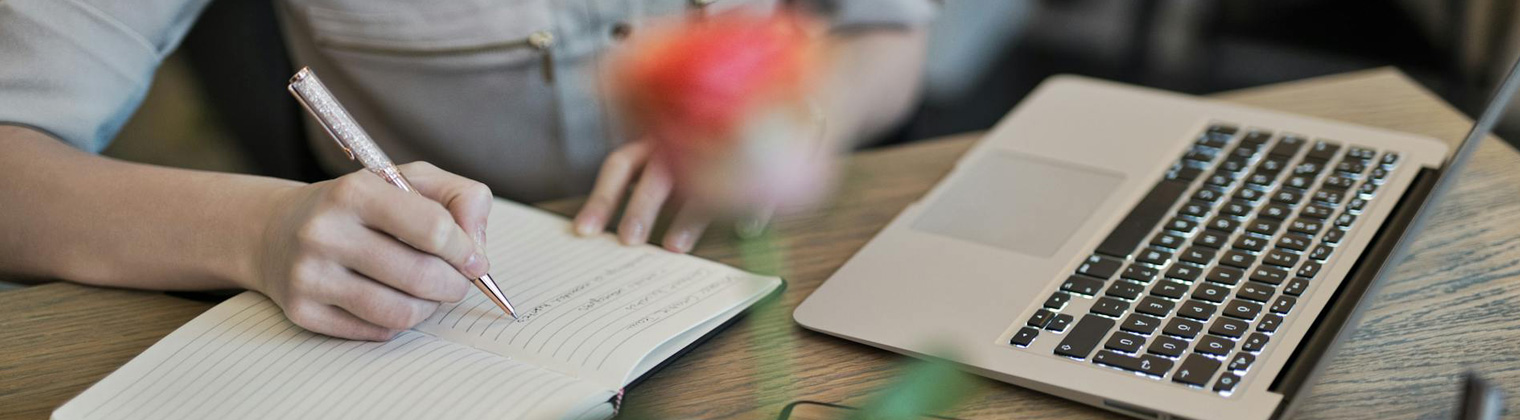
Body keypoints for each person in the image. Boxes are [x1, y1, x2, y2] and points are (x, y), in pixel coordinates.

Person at [0, 0, 933, 340]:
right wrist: (258, 228)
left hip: (772, 272)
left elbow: (885, 31)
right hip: (420, 328)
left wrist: (801, 115)